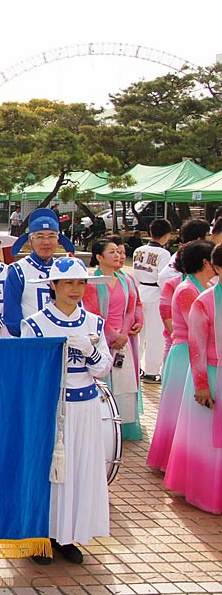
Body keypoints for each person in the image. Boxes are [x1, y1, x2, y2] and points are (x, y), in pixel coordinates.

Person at [21, 257, 112, 565]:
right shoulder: (35, 324)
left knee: (78, 468)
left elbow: (102, 368)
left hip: (85, 406)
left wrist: (90, 349)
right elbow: (28, 372)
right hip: (50, 407)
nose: (75, 289)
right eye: (68, 283)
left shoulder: (94, 323)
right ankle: (40, 534)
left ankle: (68, 535)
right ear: (53, 286)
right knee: (47, 471)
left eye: (80, 283)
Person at [149, 241, 214, 473]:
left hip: (195, 353)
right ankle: (172, 462)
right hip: (185, 354)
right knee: (177, 411)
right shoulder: (187, 289)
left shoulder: (204, 287)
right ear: (206, 262)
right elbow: (197, 327)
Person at [166, 244, 222, 514]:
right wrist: (201, 385)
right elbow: (197, 346)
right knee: (207, 442)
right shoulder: (204, 300)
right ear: (217, 268)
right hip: (209, 375)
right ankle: (205, 493)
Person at [83, 236, 144, 441]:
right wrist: (112, 335)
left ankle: (122, 425)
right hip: (103, 339)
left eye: (118, 252)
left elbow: (132, 308)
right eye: (112, 252)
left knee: (124, 384)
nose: (118, 255)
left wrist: (124, 333)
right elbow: (93, 313)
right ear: (99, 257)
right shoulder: (92, 283)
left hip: (124, 341)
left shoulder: (126, 280)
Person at [5, 208, 74, 337]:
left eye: (51, 236)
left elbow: (76, 306)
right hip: (31, 341)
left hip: (63, 340)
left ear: (58, 240)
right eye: (40, 236)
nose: (46, 242)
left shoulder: (66, 270)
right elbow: (12, 316)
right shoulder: (18, 271)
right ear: (30, 240)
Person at [133, 219, 173, 384]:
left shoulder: (139, 250)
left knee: (140, 333)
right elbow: (163, 277)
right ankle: (151, 372)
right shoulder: (164, 254)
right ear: (167, 235)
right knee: (156, 335)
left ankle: (136, 367)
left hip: (140, 290)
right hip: (156, 293)